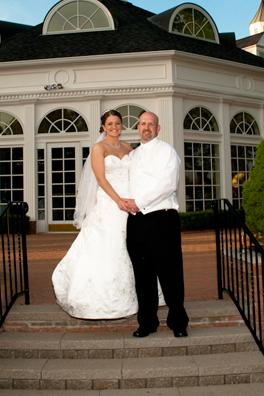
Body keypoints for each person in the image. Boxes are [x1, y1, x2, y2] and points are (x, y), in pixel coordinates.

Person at [51, 110, 138, 319]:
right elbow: (101, 179)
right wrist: (118, 201)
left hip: (130, 204)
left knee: (131, 246)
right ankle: (104, 298)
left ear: (121, 125)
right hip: (111, 203)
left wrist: (135, 200)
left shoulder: (128, 147)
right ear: (103, 126)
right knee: (110, 245)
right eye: (110, 124)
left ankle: (132, 293)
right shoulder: (98, 148)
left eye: (117, 123)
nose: (114, 127)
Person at [124, 111, 188, 338]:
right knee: (143, 276)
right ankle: (148, 322)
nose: (147, 127)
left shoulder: (167, 151)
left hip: (162, 219)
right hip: (135, 222)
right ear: (138, 128)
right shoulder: (131, 155)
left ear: (158, 128)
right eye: (143, 123)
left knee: (169, 272)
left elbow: (168, 184)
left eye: (151, 124)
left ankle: (178, 322)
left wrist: (138, 202)